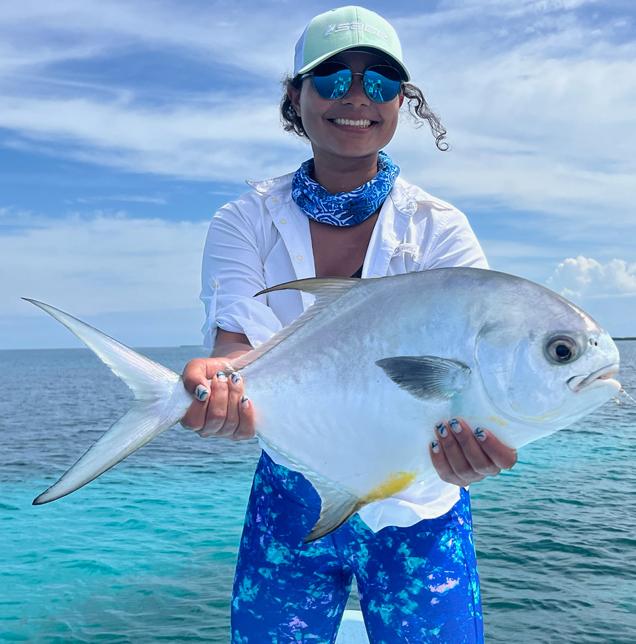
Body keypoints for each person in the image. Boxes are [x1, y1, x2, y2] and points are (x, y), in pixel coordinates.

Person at [180, 6, 518, 643]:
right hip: (292, 485)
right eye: (333, 79)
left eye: (381, 83)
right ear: (296, 95)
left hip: (423, 500)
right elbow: (236, 353)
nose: (357, 97)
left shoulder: (440, 228)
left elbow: (474, 377)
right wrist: (215, 386)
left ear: (401, 102)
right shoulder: (243, 221)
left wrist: (479, 445)